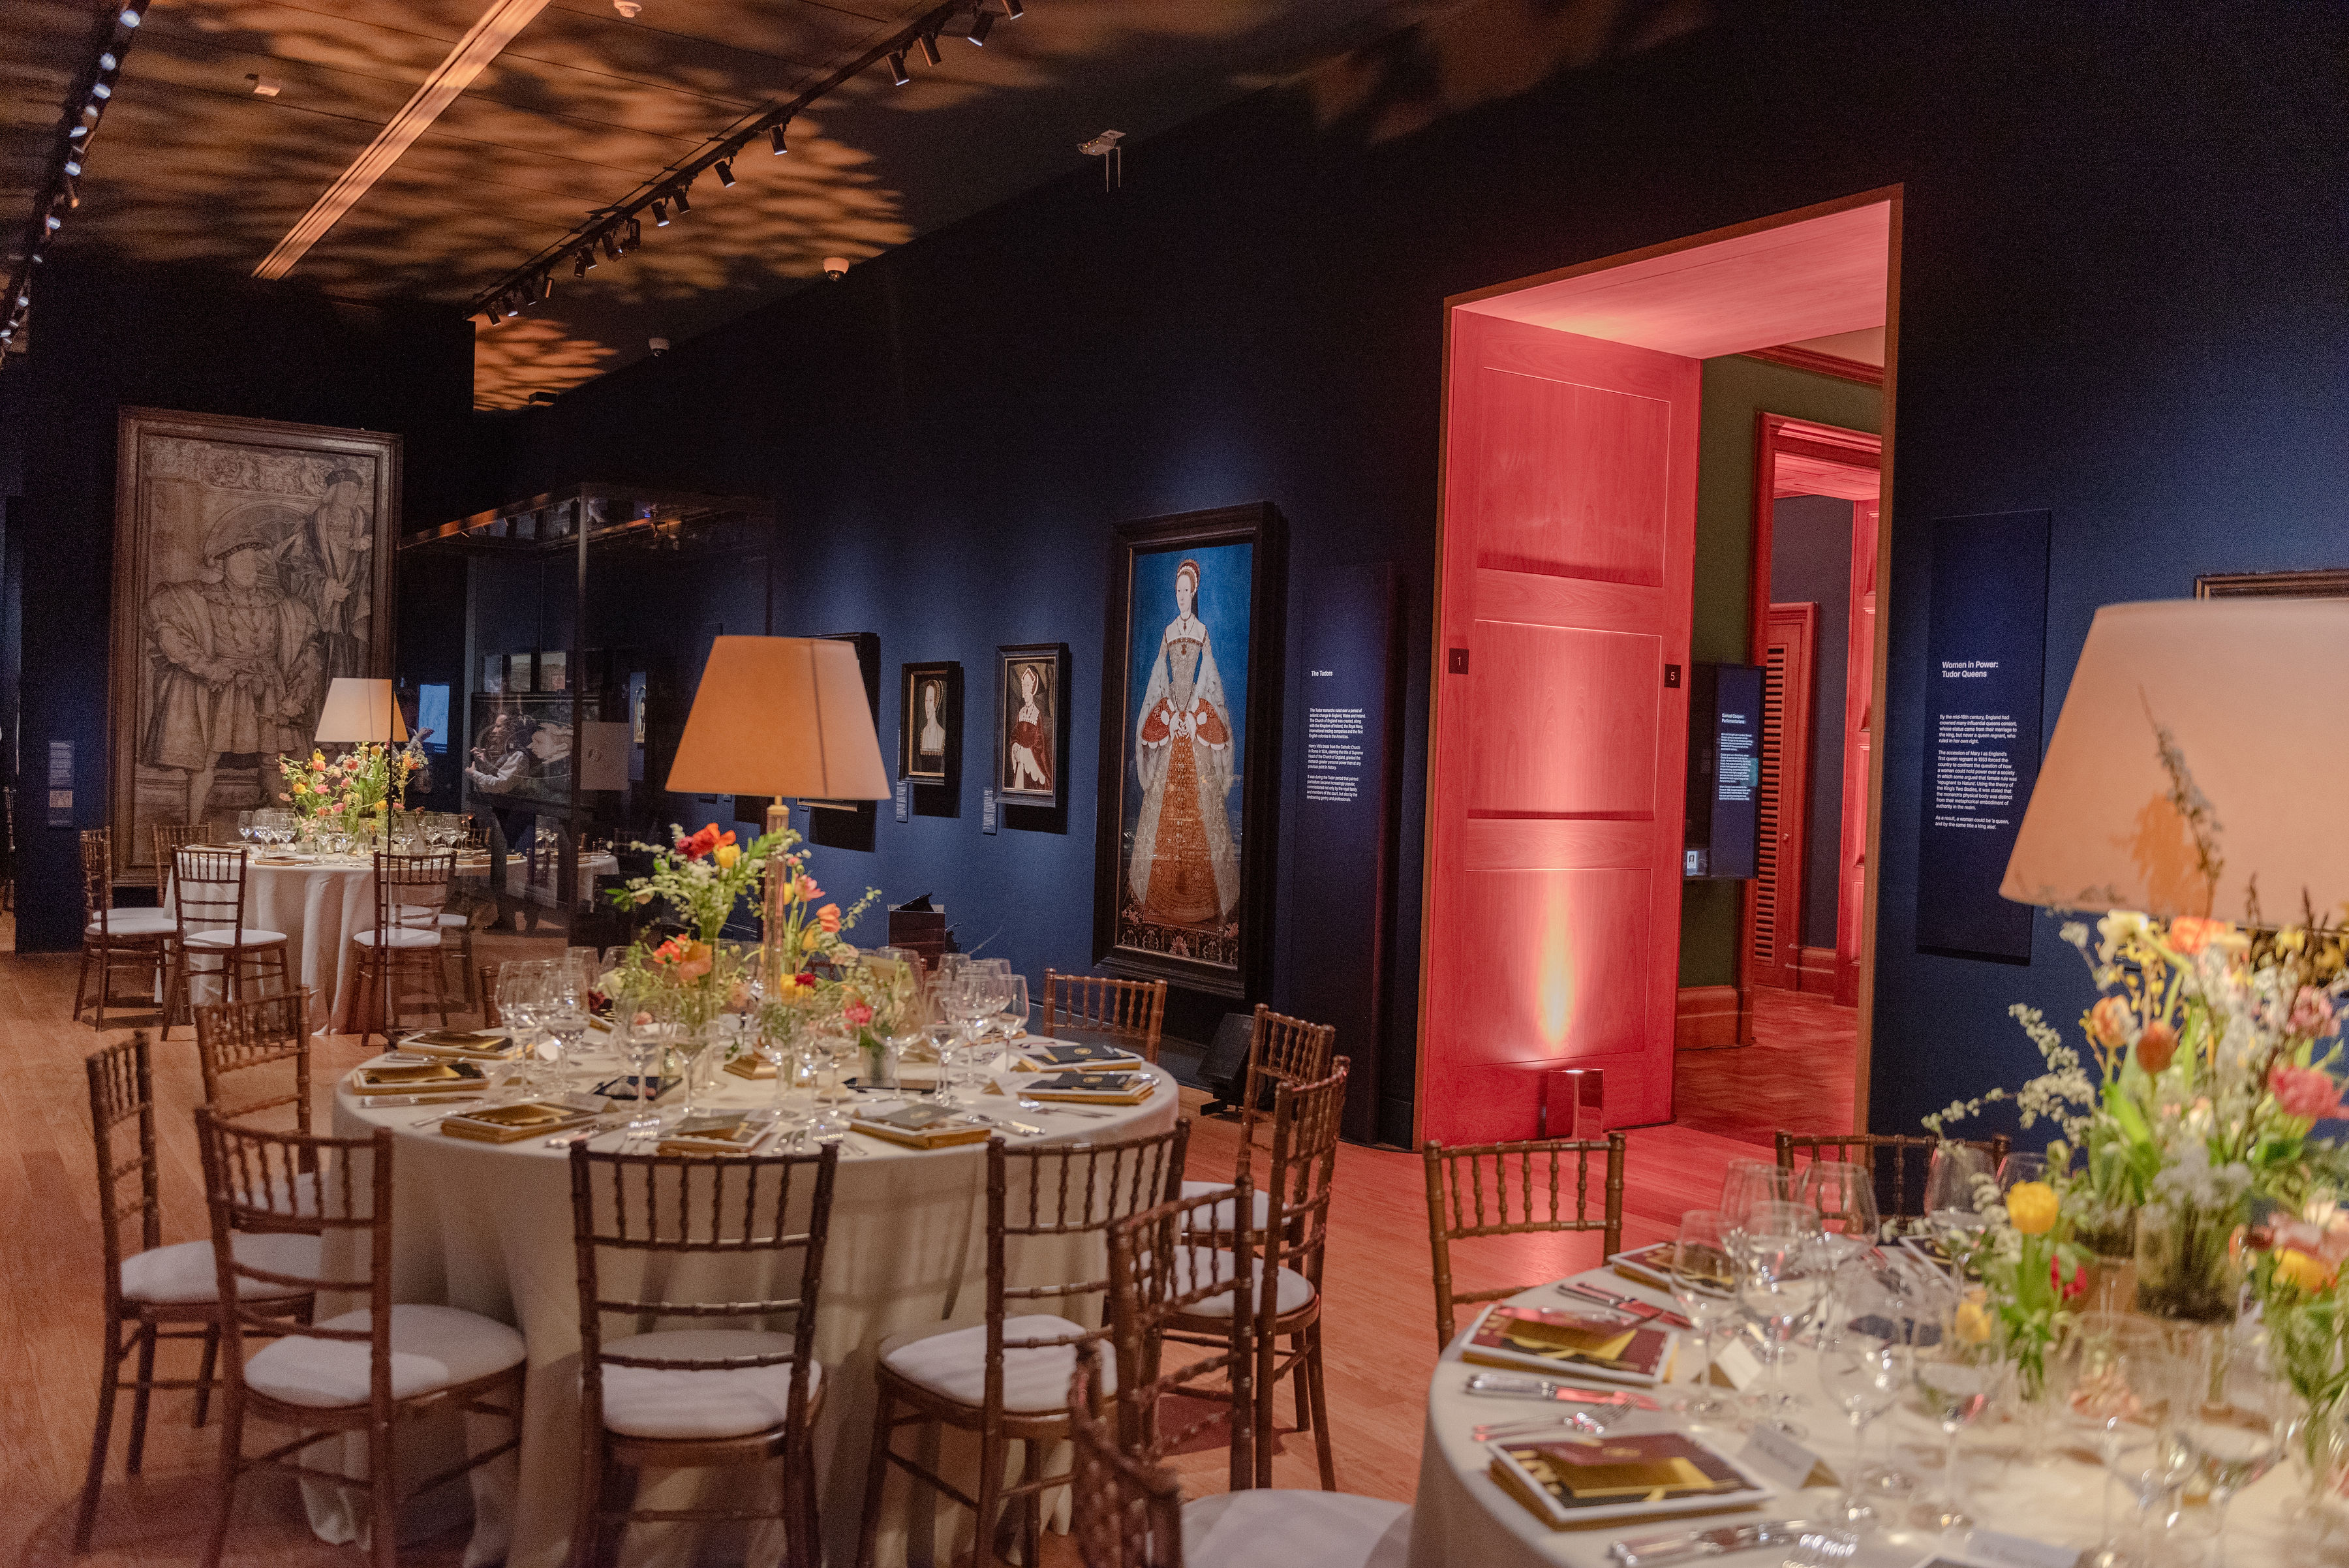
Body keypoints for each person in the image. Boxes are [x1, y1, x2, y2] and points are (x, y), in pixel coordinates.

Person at [144, 508, 322, 829]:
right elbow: (170, 635)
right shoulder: (198, 599)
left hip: (268, 686)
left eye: (255, 561)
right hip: (223, 688)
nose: (250, 568)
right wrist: (207, 668)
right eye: (242, 561)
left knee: (273, 761)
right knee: (206, 760)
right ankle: (192, 827)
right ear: (223, 564)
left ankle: (282, 829)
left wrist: (296, 696)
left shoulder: (281, 606)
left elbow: (308, 652)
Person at [1127, 559, 1238, 929]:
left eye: (1186, 591)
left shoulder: (1204, 631)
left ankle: (1200, 904)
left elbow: (1210, 677)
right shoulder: (1167, 632)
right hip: (1175, 719)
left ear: (1195, 593)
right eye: (1177, 591)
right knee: (1163, 808)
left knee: (1200, 810)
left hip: (1193, 722)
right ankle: (1161, 901)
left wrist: (1193, 714)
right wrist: (1172, 714)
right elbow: (1159, 675)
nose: (1182, 597)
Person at [279, 466, 373, 696]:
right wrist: (328, 589)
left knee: (357, 656)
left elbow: (381, 562)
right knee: (327, 656)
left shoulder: (368, 523)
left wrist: (368, 545)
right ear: (334, 491)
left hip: (357, 600)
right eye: (345, 488)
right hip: (324, 606)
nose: (350, 494)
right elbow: (298, 565)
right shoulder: (313, 525)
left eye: (355, 489)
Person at [1006, 664, 1052, 793]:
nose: (1024, 689)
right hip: (1020, 764)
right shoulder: (1021, 713)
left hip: (1032, 764)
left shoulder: (1037, 715)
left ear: (1033, 688)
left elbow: (1039, 742)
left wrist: (1025, 755)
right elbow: (1015, 734)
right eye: (1024, 685)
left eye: (1027, 685)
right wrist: (1015, 747)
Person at [918, 680, 947, 759]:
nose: (927, 706)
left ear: (937, 702)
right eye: (926, 700)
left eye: (931, 700)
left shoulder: (942, 733)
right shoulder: (923, 732)